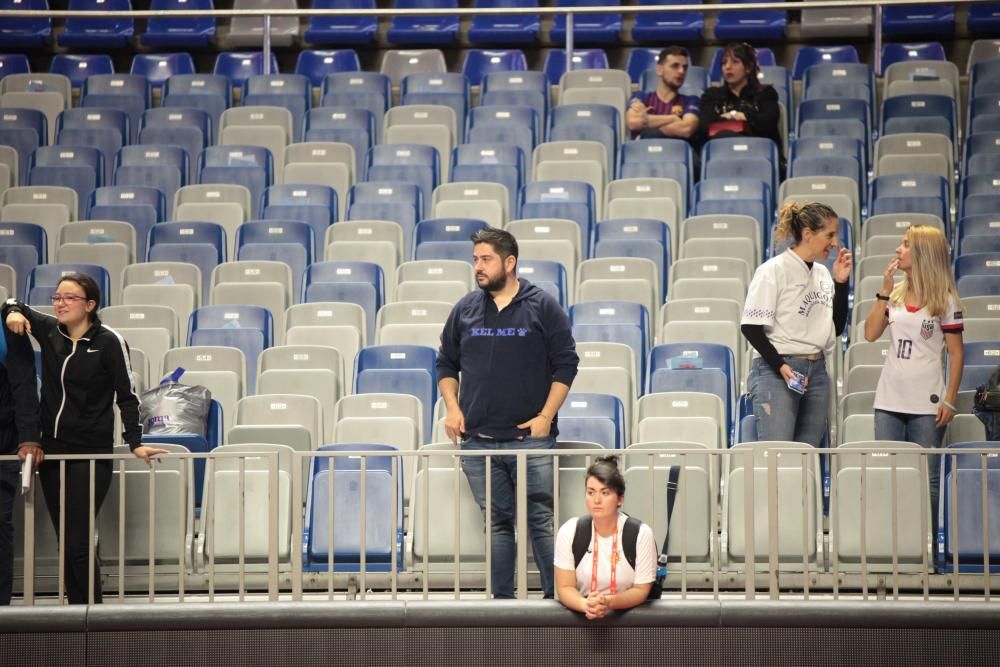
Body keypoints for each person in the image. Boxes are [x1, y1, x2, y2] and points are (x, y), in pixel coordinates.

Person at [3, 273, 168, 604]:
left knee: (78, 540)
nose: (60, 303)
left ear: (90, 305)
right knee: (66, 539)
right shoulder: (50, 331)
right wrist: (12, 311)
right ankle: (78, 608)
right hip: (53, 452)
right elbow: (12, 302)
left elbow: (127, 396)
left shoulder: (108, 342)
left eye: (69, 298)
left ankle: (88, 611)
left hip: (90, 453)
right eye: (57, 297)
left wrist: (135, 441)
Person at [437, 227, 579, 599]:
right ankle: (501, 606)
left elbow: (566, 364)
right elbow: (446, 363)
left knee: (541, 522)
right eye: (475, 260)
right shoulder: (465, 308)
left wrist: (546, 416)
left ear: (510, 262)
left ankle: (556, 602)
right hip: (479, 442)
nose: (478, 268)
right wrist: (452, 408)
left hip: (531, 441)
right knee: (498, 524)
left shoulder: (542, 305)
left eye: (486, 260)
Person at [865, 225, 964, 519]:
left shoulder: (945, 300)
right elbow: (870, 334)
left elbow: (957, 354)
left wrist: (949, 399)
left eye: (906, 244)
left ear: (923, 253)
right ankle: (894, 552)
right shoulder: (893, 295)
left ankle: (928, 553)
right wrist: (883, 292)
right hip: (888, 400)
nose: (899, 249)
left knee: (928, 481)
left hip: (927, 404)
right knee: (890, 479)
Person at [741, 202, 852, 446]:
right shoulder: (772, 270)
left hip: (817, 371)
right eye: (830, 235)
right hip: (778, 370)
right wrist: (780, 366)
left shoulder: (823, 274)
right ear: (808, 235)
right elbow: (750, 327)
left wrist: (841, 283)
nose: (835, 243)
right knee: (779, 458)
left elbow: (836, 326)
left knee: (807, 458)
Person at [554, 456, 657, 618]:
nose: (596, 500)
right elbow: (565, 587)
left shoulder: (641, 534)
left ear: (620, 499)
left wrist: (607, 602)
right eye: (590, 492)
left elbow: (641, 590)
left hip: (628, 622)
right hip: (584, 620)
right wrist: (586, 605)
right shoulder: (569, 531)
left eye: (605, 492)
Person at [0, 326, 42, 606]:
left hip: (3, 446)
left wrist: (29, 437)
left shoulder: (8, 327)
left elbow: (25, 385)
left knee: (0, 525)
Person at [697, 42, 783, 171]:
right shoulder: (712, 95)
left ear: (748, 67)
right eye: (724, 63)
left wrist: (742, 116)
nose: (728, 67)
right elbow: (705, 125)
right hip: (721, 157)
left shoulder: (765, 93)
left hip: (758, 155)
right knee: (722, 137)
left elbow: (768, 122)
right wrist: (735, 118)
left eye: (735, 62)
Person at [625, 46, 700, 142]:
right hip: (643, 154)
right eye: (675, 66)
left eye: (684, 67)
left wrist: (648, 124)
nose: (681, 71)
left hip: (675, 154)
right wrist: (673, 119)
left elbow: (687, 129)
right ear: (659, 70)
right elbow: (633, 122)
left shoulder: (691, 100)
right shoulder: (641, 97)